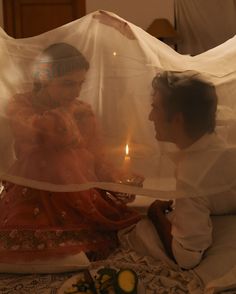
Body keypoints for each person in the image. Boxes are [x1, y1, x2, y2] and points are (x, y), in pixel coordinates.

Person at [0, 42, 141, 263]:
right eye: (67, 84)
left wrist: (118, 179)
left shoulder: (82, 110)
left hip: (76, 191)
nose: (75, 91)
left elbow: (96, 155)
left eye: (79, 84)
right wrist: (66, 114)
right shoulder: (22, 104)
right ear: (44, 79)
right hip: (34, 189)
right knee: (56, 158)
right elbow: (38, 136)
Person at [147, 71, 236, 269]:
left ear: (178, 119)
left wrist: (156, 215)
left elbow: (187, 257)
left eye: (155, 108)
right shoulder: (219, 139)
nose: (150, 117)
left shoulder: (193, 174)